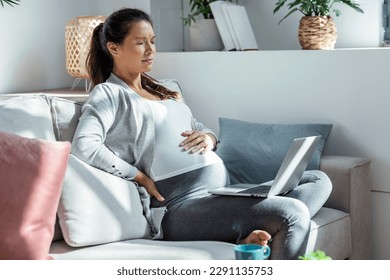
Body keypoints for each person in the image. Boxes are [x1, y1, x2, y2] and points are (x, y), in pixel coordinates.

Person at [71, 7, 332, 259]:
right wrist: (137, 175)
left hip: (220, 194)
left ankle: (246, 232)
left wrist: (209, 138)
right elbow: (84, 145)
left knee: (318, 179)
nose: (151, 50)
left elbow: (199, 127)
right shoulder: (109, 94)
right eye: (140, 43)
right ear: (114, 48)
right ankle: (256, 229)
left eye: (153, 41)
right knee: (292, 213)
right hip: (180, 207)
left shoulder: (164, 89)